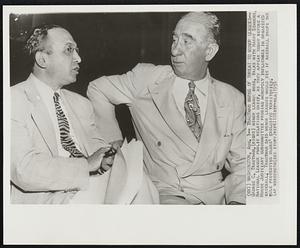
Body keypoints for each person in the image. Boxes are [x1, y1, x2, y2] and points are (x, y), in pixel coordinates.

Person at [87, 12, 246, 205]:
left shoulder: (232, 98)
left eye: (187, 42)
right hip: (162, 194)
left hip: (215, 199)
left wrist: (238, 204)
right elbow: (98, 89)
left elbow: (243, 164)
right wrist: (115, 144)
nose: (175, 50)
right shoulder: (146, 79)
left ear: (210, 51)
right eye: (174, 39)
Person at [10, 24, 116, 204]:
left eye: (77, 50)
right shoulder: (13, 99)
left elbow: (96, 147)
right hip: (47, 201)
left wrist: (107, 157)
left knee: (144, 184)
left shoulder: (82, 104)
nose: (79, 58)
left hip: (92, 188)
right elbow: (24, 169)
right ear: (43, 59)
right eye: (69, 50)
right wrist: (87, 165)